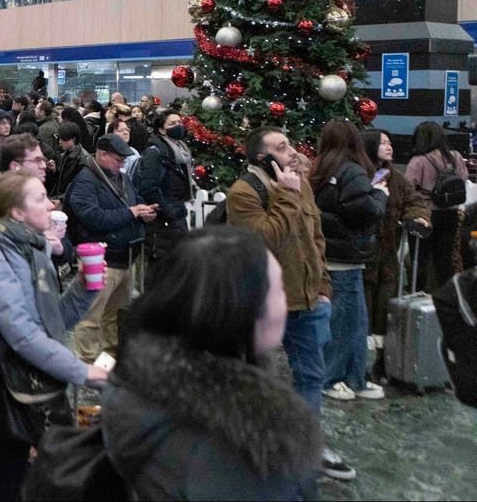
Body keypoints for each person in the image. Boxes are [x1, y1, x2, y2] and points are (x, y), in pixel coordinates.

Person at [101, 228, 322, 500]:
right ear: (240, 309)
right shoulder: (243, 454)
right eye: (278, 289)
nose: (286, 300)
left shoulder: (135, 378)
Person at [0, 170, 107, 500]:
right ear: (17, 212)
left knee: (27, 476)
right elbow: (22, 334)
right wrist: (81, 371)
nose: (51, 205)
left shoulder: (32, 248)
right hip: (8, 387)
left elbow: (54, 318)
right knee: (10, 478)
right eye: (40, 199)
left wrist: (84, 287)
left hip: (38, 381)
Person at [226, 127, 352, 481]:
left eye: (291, 144)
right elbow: (264, 239)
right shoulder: (243, 193)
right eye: (282, 148)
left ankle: (306, 447)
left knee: (311, 376)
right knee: (257, 379)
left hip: (310, 300)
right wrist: (286, 195)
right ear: (263, 158)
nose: (292, 152)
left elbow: (315, 238)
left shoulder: (300, 185)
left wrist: (323, 285)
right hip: (266, 305)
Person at [311, 120, 388, 402]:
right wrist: (380, 194)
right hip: (347, 256)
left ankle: (355, 378)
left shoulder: (320, 169)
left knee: (353, 322)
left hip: (332, 256)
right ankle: (332, 379)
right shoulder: (352, 170)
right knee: (346, 323)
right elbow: (364, 212)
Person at [68, 133, 156, 361]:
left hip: (125, 257)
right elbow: (92, 217)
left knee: (114, 316)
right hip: (100, 259)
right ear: (102, 154)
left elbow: (132, 204)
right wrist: (131, 213)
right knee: (91, 316)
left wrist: (142, 213)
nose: (122, 164)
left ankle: (108, 358)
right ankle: (85, 362)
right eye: (118, 159)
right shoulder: (85, 180)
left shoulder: (122, 178)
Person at [361, 129, 431, 339]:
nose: (389, 146)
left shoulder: (397, 179)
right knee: (362, 313)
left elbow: (415, 202)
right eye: (383, 143)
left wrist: (417, 216)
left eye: (390, 142)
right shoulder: (357, 174)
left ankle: (381, 358)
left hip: (389, 257)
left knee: (385, 311)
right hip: (361, 255)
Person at [405, 120, 469, 292]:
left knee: (420, 258)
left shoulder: (418, 161)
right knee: (445, 259)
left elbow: (408, 187)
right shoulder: (455, 157)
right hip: (451, 213)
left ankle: (416, 294)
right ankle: (447, 297)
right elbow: (463, 179)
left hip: (425, 215)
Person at [135, 109, 193, 268]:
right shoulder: (156, 152)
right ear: (161, 129)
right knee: (162, 270)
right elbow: (148, 187)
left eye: (180, 122)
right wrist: (168, 211)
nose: (178, 126)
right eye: (172, 123)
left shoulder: (180, 150)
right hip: (163, 221)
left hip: (176, 214)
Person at [49, 121, 88, 200]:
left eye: (63, 139)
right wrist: (55, 170)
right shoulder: (66, 153)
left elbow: (78, 188)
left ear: (73, 139)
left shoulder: (82, 160)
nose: (60, 142)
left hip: (68, 200)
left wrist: (61, 200)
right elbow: (63, 179)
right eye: (60, 138)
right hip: (62, 196)